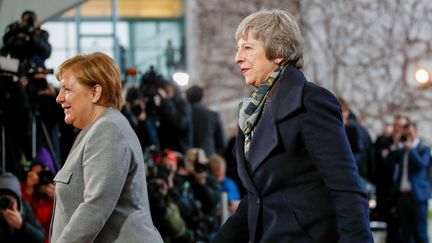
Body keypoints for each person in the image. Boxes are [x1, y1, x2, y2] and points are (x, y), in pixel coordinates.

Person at [212, 9, 372, 243]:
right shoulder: (254, 111)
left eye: (247, 47)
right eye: (238, 48)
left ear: (277, 52)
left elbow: (346, 188)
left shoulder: (310, 101)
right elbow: (256, 199)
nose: (237, 57)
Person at [51, 52, 163, 243]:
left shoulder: (108, 129)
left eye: (67, 89)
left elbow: (95, 206)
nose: (59, 98)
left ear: (95, 92)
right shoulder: (96, 129)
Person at [385, 122, 431, 243]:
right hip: (403, 196)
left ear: (415, 132)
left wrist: (412, 150)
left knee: (420, 232)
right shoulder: (402, 149)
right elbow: (389, 161)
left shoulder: (423, 148)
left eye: (410, 133)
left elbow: (422, 165)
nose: (408, 136)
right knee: (405, 232)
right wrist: (395, 144)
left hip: (418, 196)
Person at [0, 172, 45, 243]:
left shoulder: (24, 208)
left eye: (9, 200)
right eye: (2, 200)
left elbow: (41, 238)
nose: (5, 204)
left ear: (18, 200)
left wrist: (21, 225)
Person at [186, 85, 226, 156]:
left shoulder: (182, 116)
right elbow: (221, 142)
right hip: (208, 156)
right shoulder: (212, 115)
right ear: (202, 97)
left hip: (187, 157)